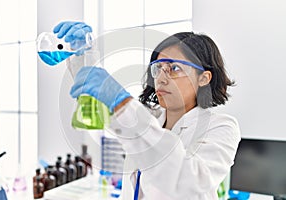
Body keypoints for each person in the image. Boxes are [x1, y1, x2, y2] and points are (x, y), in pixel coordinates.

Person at [53, 21, 241, 200]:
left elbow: (187, 184)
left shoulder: (221, 128)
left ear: (204, 78)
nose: (161, 78)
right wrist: (81, 53)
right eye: (158, 68)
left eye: (174, 68)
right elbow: (93, 99)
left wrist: (121, 102)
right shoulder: (150, 116)